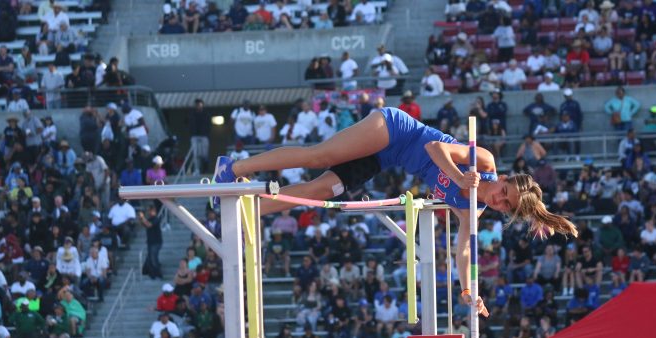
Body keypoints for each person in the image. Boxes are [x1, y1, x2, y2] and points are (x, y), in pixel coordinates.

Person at [213, 107, 578, 311]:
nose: (496, 199)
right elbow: (435, 148)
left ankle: (250, 207)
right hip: (393, 130)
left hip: (387, 159)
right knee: (319, 155)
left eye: (503, 205)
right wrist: (462, 176)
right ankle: (234, 168)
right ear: (504, 179)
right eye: (503, 192)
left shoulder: (472, 209)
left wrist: (468, 291)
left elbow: (464, 249)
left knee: (322, 188)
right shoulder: (482, 161)